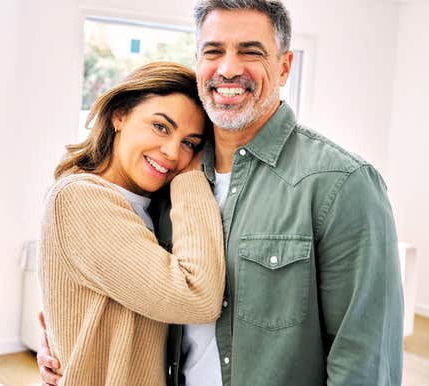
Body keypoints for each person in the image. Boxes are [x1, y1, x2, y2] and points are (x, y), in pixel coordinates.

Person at [39, 1, 404, 385]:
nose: (229, 68)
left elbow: (367, 361)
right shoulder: (170, 181)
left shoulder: (341, 182)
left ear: (284, 66)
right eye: (214, 51)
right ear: (198, 62)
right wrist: (67, 342)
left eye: (251, 51)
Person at [37, 61, 226, 386]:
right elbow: (198, 297)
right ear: (119, 114)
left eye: (189, 143)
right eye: (161, 127)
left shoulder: (150, 207)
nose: (171, 153)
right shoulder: (80, 197)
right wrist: (192, 175)